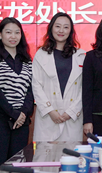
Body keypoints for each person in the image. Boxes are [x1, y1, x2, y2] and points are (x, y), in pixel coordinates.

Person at [0, 18, 33, 172]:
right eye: (8, 32)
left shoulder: (27, 61)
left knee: (18, 167)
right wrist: (13, 113)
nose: (13, 36)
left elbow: (30, 91)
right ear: (0, 34)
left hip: (21, 122)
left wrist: (23, 113)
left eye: (17, 33)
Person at [32, 12, 86, 142]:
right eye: (57, 26)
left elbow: (85, 88)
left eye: (66, 27)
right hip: (48, 118)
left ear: (71, 31)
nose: (61, 30)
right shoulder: (41, 54)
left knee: (71, 153)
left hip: (72, 117)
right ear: (51, 28)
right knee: (45, 153)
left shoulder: (81, 55)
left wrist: (71, 112)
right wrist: (50, 111)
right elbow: (36, 85)